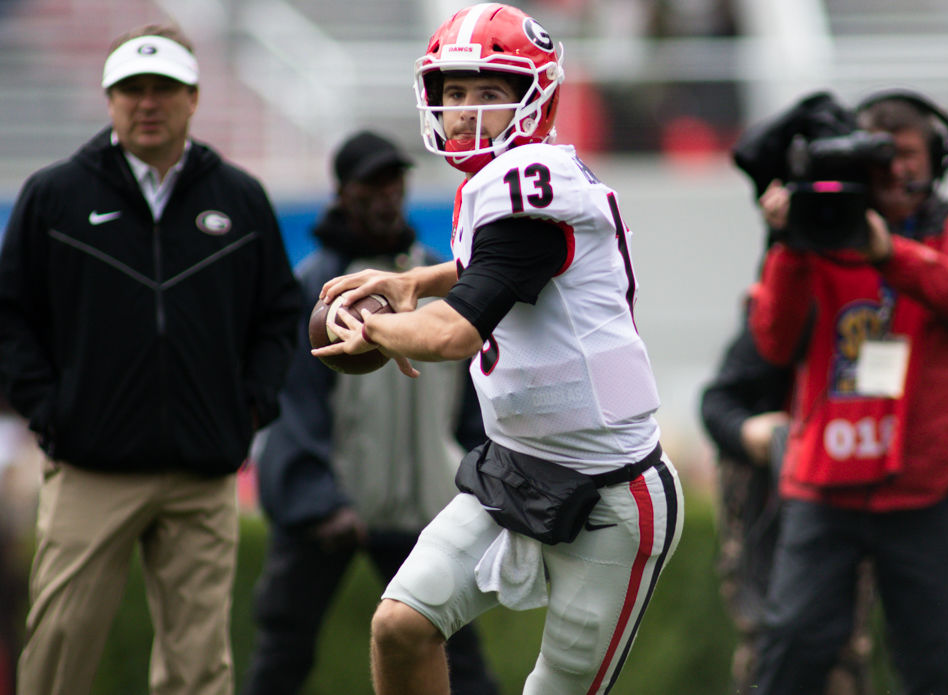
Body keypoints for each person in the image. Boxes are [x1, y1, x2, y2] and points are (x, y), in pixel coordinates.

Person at [311, 4, 684, 694]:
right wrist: (413, 279)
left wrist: (367, 325)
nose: (466, 110)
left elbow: (454, 331)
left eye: (489, 92)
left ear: (535, 98)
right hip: (514, 468)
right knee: (400, 624)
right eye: (455, 93)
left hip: (612, 491)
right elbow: (498, 266)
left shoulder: (530, 186)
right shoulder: (503, 187)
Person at [0, 24, 301, 695]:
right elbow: (10, 314)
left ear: (193, 98)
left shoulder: (240, 198)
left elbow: (279, 313)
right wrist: (53, 411)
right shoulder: (56, 196)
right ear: (108, 100)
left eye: (163, 88)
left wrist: (250, 404)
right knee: (58, 650)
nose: (147, 103)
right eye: (131, 89)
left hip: (201, 468)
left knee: (199, 666)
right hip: (89, 466)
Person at [240, 130, 500, 695]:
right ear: (343, 193)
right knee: (283, 652)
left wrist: (479, 478)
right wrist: (319, 502)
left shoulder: (432, 278)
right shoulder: (313, 286)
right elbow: (293, 409)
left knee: (463, 659)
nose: (386, 196)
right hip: (333, 511)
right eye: (371, 184)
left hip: (424, 506)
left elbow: (472, 400)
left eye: (394, 183)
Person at [745, 90, 948, 695]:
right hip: (825, 482)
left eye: (908, 155)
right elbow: (773, 343)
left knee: (932, 662)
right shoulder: (820, 228)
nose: (894, 170)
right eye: (880, 155)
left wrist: (892, 254)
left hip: (920, 490)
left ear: (937, 159)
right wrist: (787, 244)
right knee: (790, 652)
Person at [701, 319, 876, 695]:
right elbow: (717, 403)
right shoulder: (773, 310)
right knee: (766, 635)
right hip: (770, 499)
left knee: (842, 641)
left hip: (848, 493)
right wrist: (749, 433)